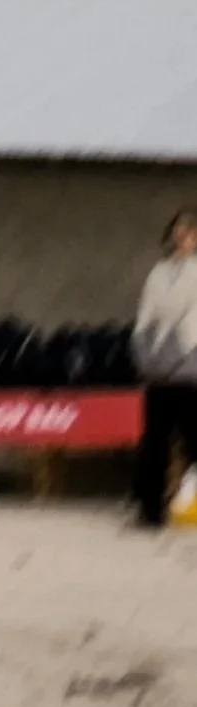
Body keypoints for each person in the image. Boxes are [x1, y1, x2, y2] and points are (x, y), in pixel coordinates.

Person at [131, 208, 197, 530]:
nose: (183, 237)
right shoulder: (158, 273)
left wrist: (177, 355)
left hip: (190, 367)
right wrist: (144, 350)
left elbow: (191, 322)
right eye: (179, 230)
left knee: (192, 440)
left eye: (189, 231)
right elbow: (146, 314)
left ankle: (190, 505)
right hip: (158, 369)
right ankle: (150, 510)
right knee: (153, 441)